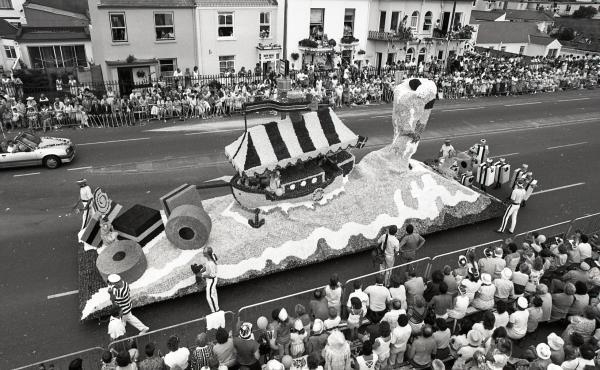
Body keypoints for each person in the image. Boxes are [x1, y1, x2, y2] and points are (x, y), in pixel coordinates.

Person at [201, 247, 219, 312]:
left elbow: (212, 276)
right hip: (211, 280)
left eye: (204, 252)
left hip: (211, 280)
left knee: (210, 296)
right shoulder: (209, 259)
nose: (203, 252)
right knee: (213, 293)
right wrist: (202, 270)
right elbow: (207, 267)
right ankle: (216, 308)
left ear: (207, 254)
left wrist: (203, 275)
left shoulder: (210, 263)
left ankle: (215, 311)